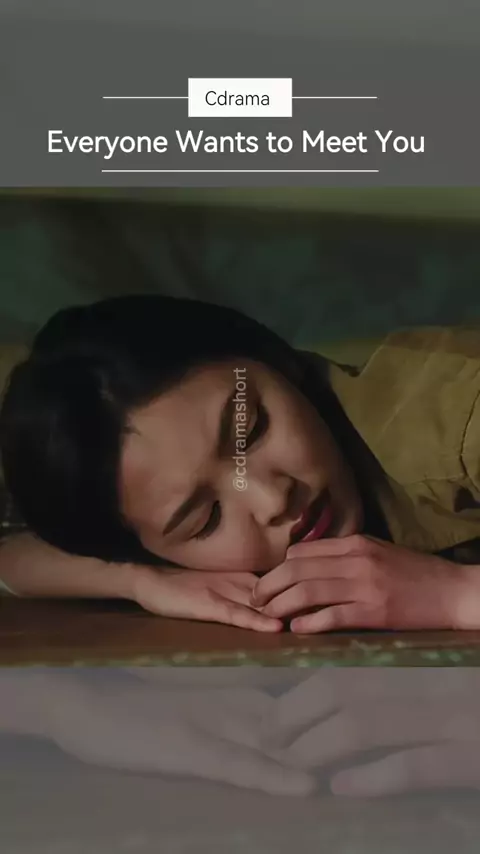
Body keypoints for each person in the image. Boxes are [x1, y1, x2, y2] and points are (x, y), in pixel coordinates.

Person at [1, 294, 480, 633]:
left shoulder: (456, 419)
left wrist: (454, 596)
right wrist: (144, 581)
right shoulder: (155, 539)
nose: (272, 499)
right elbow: (12, 558)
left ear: (274, 359)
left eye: (251, 430)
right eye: (206, 519)